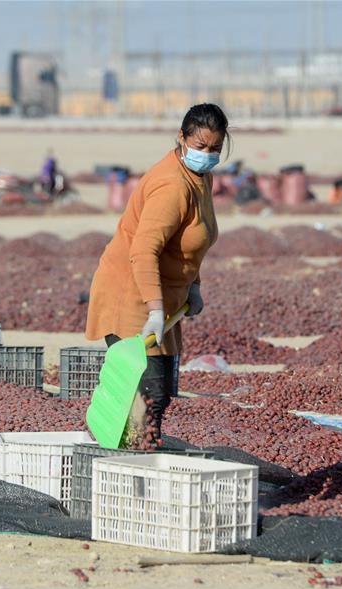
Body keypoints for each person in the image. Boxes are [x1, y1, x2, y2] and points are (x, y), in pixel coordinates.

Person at [85, 103, 225, 439]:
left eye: (215, 149)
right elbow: (143, 251)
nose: (207, 155)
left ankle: (141, 451)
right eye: (200, 147)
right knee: (146, 395)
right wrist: (155, 309)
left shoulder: (201, 178)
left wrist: (194, 285)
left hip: (166, 298)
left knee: (158, 397)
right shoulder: (172, 186)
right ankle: (122, 458)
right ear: (181, 138)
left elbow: (192, 238)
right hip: (133, 295)